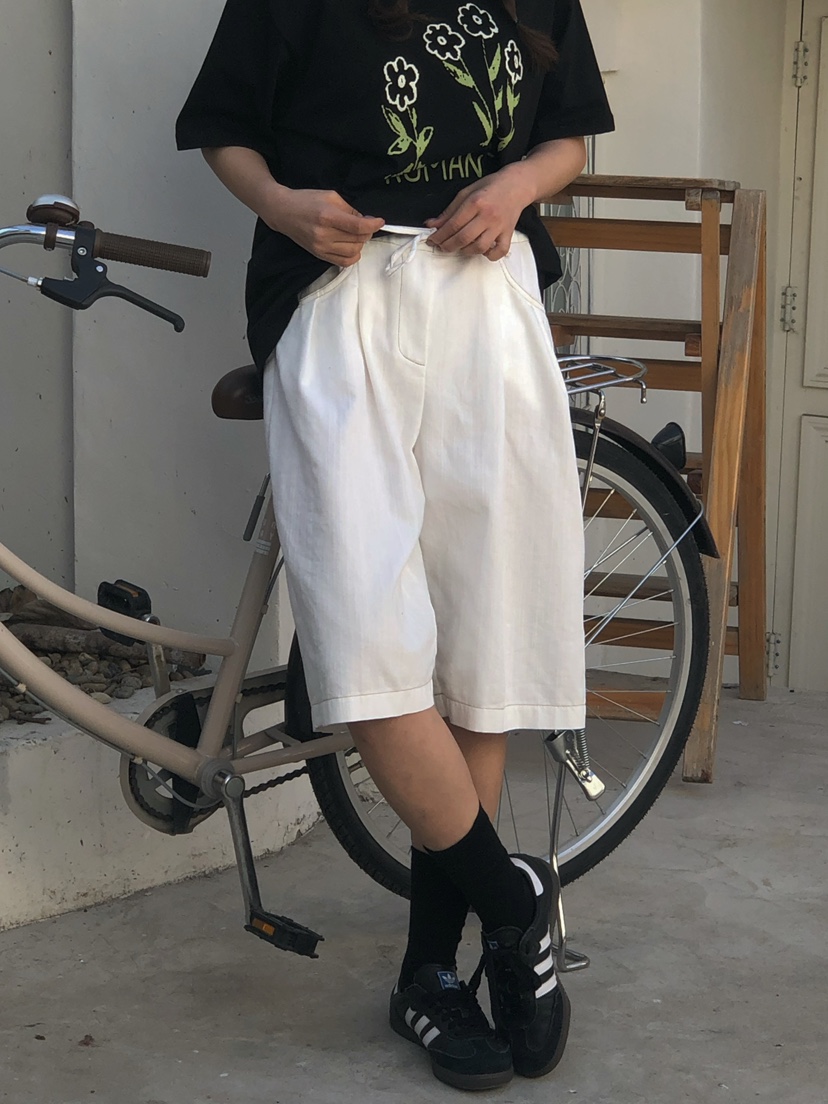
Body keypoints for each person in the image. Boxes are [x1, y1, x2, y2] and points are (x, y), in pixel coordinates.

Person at [177, 0, 613, 1090]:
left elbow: (567, 136)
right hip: (337, 300)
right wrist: (282, 205)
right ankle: (514, 905)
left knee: (476, 647)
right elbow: (225, 128)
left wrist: (514, 188)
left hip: (488, 303)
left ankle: (429, 975)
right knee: (366, 646)